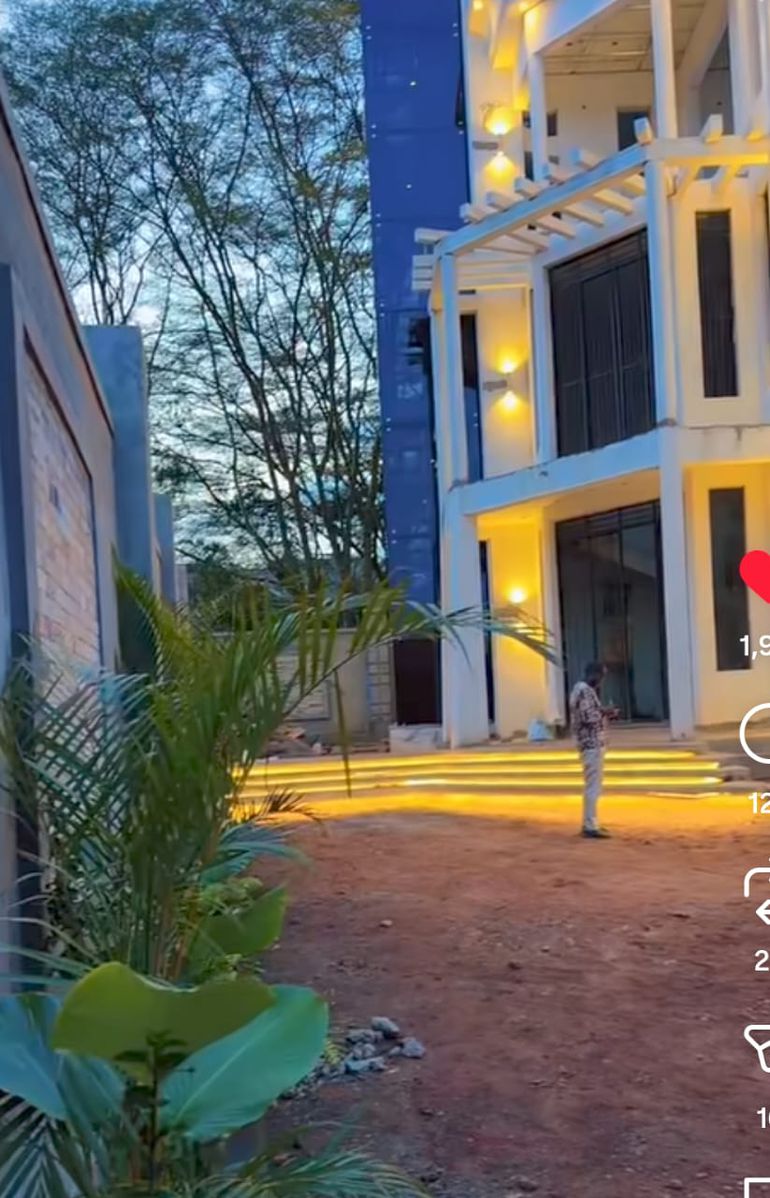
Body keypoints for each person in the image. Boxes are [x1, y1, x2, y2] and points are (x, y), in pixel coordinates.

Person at [569, 661, 612, 839]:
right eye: (601, 676)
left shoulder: (582, 690)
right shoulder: (584, 691)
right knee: (593, 787)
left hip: (590, 744)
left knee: (593, 786)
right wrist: (606, 712)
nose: (602, 680)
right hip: (591, 744)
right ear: (594, 674)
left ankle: (591, 822)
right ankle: (590, 825)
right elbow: (587, 717)